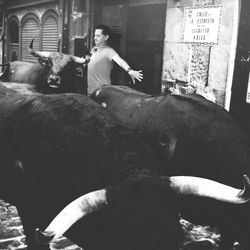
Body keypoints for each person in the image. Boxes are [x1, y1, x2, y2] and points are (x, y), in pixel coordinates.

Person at [87, 24, 143, 94]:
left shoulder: (109, 51)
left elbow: (119, 61)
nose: (95, 38)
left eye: (98, 36)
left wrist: (130, 71)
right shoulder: (94, 49)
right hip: (90, 91)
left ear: (106, 37)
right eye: (95, 35)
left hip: (102, 92)